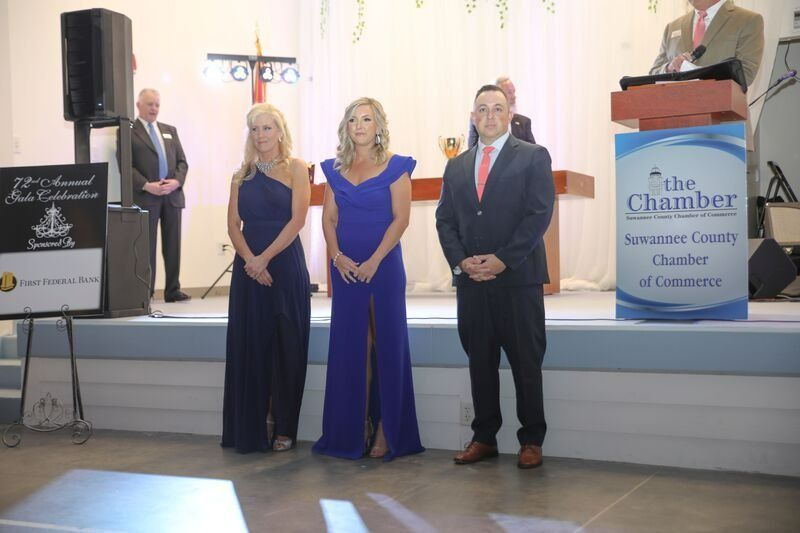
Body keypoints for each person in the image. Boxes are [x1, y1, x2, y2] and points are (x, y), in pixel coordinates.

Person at [436, 85, 554, 469]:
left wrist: (503, 260)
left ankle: (531, 440)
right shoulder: (456, 166)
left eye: (497, 108)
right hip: (472, 282)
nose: (489, 115)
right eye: (482, 109)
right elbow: (445, 221)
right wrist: (461, 262)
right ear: (473, 118)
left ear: (509, 115)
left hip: (516, 278)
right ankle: (484, 437)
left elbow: (538, 215)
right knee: (479, 362)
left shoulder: (534, 157)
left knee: (525, 362)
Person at [313, 97, 424, 461]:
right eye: (353, 120)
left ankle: (386, 428)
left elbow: (400, 219)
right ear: (346, 127)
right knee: (352, 348)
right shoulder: (335, 169)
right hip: (345, 270)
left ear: (379, 126)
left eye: (366, 119)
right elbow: (328, 220)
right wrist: (337, 257)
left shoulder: (396, 167)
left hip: (383, 269)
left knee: (384, 346)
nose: (359, 126)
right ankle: (351, 426)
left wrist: (375, 260)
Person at [221, 103, 311, 454]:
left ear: (280, 131)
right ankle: (251, 427)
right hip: (248, 271)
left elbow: (297, 221)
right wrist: (250, 261)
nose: (261, 135)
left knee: (287, 347)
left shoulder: (297, 168)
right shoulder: (240, 175)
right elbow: (232, 225)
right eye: (255, 129)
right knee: (251, 347)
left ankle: (285, 428)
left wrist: (265, 259)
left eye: (267, 128)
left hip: (284, 266)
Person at [129, 88, 191, 302]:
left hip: (172, 196)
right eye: (149, 104)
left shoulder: (169, 130)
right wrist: (147, 185)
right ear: (139, 106)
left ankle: (173, 291)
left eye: (156, 104)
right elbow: (126, 166)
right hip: (147, 196)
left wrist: (176, 182)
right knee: (147, 248)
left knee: (173, 246)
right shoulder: (129, 131)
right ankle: (145, 293)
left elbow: (183, 162)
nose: (154, 108)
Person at [649, 0, 764, 87]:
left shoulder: (748, 20)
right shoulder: (672, 27)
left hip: (723, 114)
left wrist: (696, 74)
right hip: (674, 113)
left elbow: (745, 74)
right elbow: (653, 74)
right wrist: (669, 68)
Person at [468, 76, 535, 148]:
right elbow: (473, 149)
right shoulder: (480, 120)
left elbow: (532, 152)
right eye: (509, 92)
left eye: (513, 91)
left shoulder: (524, 122)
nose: (514, 96)